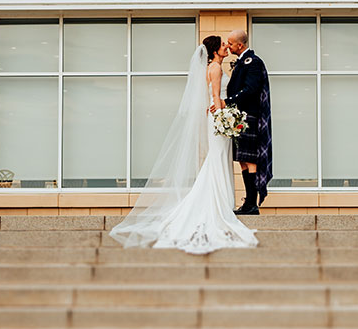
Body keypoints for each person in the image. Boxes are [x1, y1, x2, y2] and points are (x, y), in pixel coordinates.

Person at [109, 36, 257, 254]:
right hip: (219, 119)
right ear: (215, 50)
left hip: (215, 117)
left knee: (217, 159)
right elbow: (216, 96)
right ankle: (218, 205)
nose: (226, 47)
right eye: (223, 45)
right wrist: (226, 120)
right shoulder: (215, 68)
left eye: (228, 44)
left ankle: (221, 203)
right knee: (217, 160)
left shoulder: (211, 67)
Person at [224, 30, 272, 214]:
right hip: (241, 116)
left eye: (230, 43)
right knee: (243, 160)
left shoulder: (253, 62)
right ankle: (248, 203)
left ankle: (252, 203)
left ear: (240, 45)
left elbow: (250, 90)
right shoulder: (243, 61)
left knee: (250, 160)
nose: (228, 46)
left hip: (250, 116)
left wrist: (228, 102)